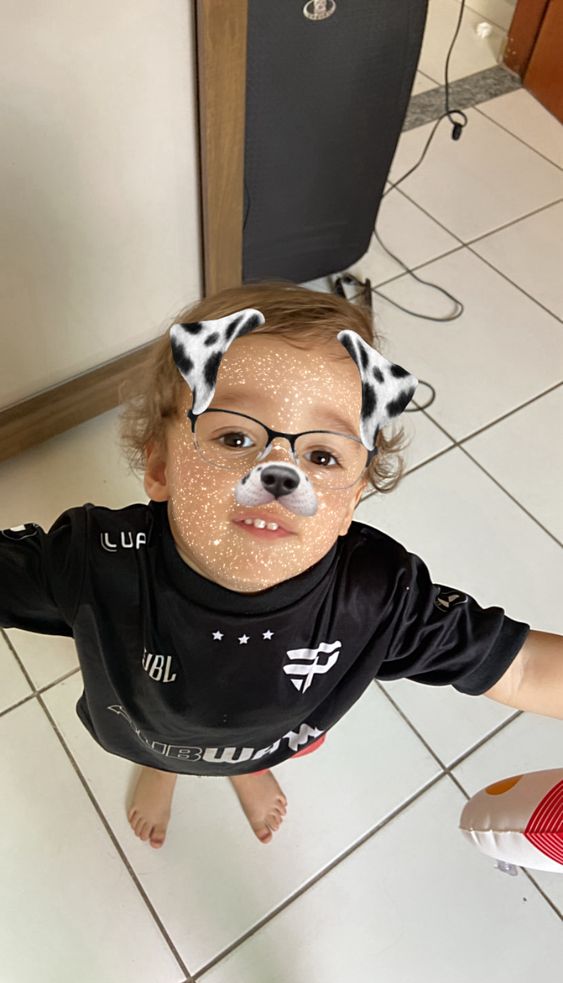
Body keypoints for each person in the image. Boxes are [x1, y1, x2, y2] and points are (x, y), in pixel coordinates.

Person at [1, 280, 558, 850]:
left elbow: (521, 669)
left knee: (254, 749)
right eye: (235, 436)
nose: (280, 473)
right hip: (145, 723)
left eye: (322, 455)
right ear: (161, 468)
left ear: (352, 502)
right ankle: (161, 767)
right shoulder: (94, 558)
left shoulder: (377, 593)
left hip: (274, 732)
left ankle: (248, 767)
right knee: (160, 740)